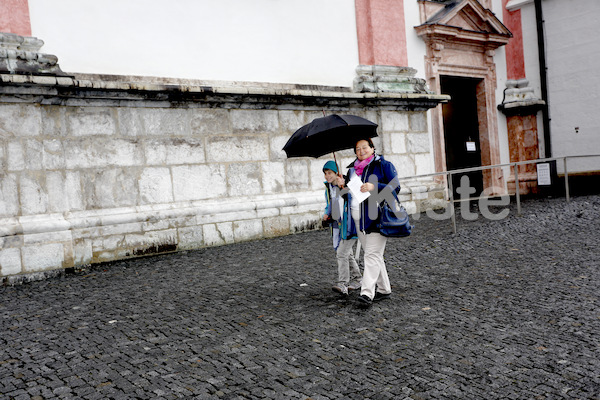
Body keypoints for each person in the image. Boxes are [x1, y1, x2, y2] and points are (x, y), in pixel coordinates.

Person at [345, 138, 399, 307]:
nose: (361, 151)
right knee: (375, 255)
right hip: (358, 217)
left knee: (370, 255)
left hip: (377, 215)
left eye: (364, 147)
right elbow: (350, 192)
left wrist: (374, 186)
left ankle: (367, 293)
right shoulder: (352, 169)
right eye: (357, 148)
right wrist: (342, 184)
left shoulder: (383, 165)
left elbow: (395, 187)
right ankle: (384, 289)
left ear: (372, 148)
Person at [322, 160, 362, 295]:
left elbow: (355, 200)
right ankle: (358, 279)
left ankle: (343, 283)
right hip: (338, 225)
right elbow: (330, 204)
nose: (327, 176)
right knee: (348, 253)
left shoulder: (347, 183)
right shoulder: (329, 188)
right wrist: (326, 214)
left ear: (336, 172)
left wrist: (343, 187)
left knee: (341, 253)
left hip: (350, 224)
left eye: (330, 173)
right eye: (325, 174)